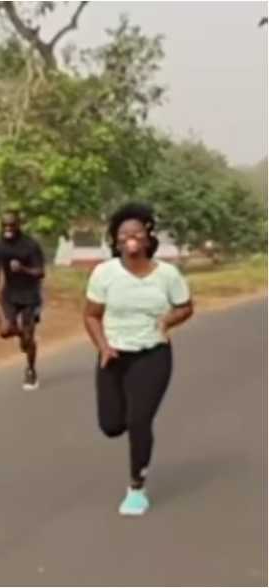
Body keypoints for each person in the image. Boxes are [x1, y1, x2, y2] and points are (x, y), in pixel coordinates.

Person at [83, 202, 193, 517]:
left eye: (136, 232)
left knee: (139, 420)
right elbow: (91, 315)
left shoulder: (167, 274)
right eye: (123, 234)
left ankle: (136, 487)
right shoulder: (104, 273)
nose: (130, 238)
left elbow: (186, 306)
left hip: (153, 354)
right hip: (113, 356)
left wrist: (168, 320)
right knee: (111, 425)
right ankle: (132, 463)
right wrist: (103, 346)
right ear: (116, 241)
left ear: (148, 237)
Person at [0, 210, 45, 390]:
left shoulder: (30, 246)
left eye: (11, 225)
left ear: (19, 225)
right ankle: (23, 334)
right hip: (10, 294)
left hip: (30, 295)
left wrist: (22, 269)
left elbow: (40, 272)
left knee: (28, 340)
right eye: (5, 225)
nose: (8, 229)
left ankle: (31, 370)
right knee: (4, 331)